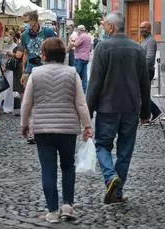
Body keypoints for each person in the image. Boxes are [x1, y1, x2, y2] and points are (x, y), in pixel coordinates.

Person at [21, 38, 92, 223]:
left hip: (43, 129)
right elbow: (81, 102)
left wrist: (24, 124)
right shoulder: (72, 73)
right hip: (68, 129)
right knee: (68, 167)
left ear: (44, 54)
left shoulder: (35, 74)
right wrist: (87, 125)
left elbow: (27, 102)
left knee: (48, 170)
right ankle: (68, 205)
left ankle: (52, 211)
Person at [86, 12, 151, 204]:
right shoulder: (137, 49)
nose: (104, 28)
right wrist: (145, 112)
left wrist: (87, 113)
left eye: (105, 25)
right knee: (125, 151)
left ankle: (110, 175)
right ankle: (118, 192)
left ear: (112, 27)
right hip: (131, 107)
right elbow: (145, 84)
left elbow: (95, 83)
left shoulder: (103, 48)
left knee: (102, 145)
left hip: (107, 108)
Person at [20, 10, 56, 144]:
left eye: (27, 22)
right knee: (29, 101)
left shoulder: (47, 32)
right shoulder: (24, 35)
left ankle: (43, 128)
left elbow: (56, 49)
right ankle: (31, 132)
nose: (26, 25)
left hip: (45, 69)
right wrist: (23, 71)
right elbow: (25, 53)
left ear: (35, 21)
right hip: (30, 70)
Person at [140, 21, 164, 122]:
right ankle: (153, 113)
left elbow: (149, 59)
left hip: (147, 72)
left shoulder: (151, 41)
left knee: (142, 94)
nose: (141, 30)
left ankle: (153, 113)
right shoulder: (145, 40)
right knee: (142, 94)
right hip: (143, 71)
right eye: (140, 28)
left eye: (144, 28)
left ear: (149, 29)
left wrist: (139, 68)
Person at [0, 30, 17, 114]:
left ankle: (8, 107)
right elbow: (0, 56)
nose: (6, 38)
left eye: (7, 36)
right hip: (2, 68)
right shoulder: (3, 45)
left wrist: (10, 54)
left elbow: (16, 58)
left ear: (12, 36)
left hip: (10, 69)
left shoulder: (15, 46)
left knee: (9, 89)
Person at [69, 25, 92, 93]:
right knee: (84, 75)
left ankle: (73, 90)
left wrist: (70, 41)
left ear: (80, 30)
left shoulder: (82, 36)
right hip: (86, 58)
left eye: (77, 30)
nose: (77, 32)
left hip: (79, 57)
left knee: (76, 74)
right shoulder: (88, 36)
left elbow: (75, 44)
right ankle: (84, 90)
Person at [6, 46, 25, 116]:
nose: (19, 53)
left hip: (22, 77)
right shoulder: (15, 59)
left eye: (21, 52)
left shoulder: (24, 60)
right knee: (21, 93)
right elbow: (10, 66)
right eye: (18, 51)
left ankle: (24, 111)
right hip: (17, 77)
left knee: (23, 94)